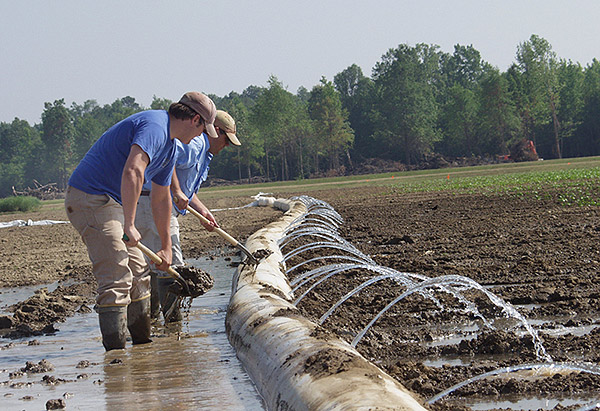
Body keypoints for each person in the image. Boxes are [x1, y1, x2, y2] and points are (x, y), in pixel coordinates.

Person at [64, 92, 218, 351]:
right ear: (194, 119)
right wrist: (130, 223)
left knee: (139, 274)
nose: (202, 137)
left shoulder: (170, 147)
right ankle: (116, 360)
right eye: (204, 129)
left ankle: (143, 350)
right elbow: (133, 170)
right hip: (90, 198)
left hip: (113, 202)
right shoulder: (156, 126)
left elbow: (160, 198)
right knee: (117, 275)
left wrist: (166, 247)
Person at [135, 110, 241, 322]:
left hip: (153, 202)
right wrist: (175, 190)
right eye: (225, 140)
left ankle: (153, 319)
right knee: (171, 264)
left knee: (157, 263)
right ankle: (173, 323)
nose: (226, 146)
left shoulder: (205, 153)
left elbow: (188, 192)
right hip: (153, 201)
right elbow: (168, 158)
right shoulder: (196, 144)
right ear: (215, 131)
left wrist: (202, 210)